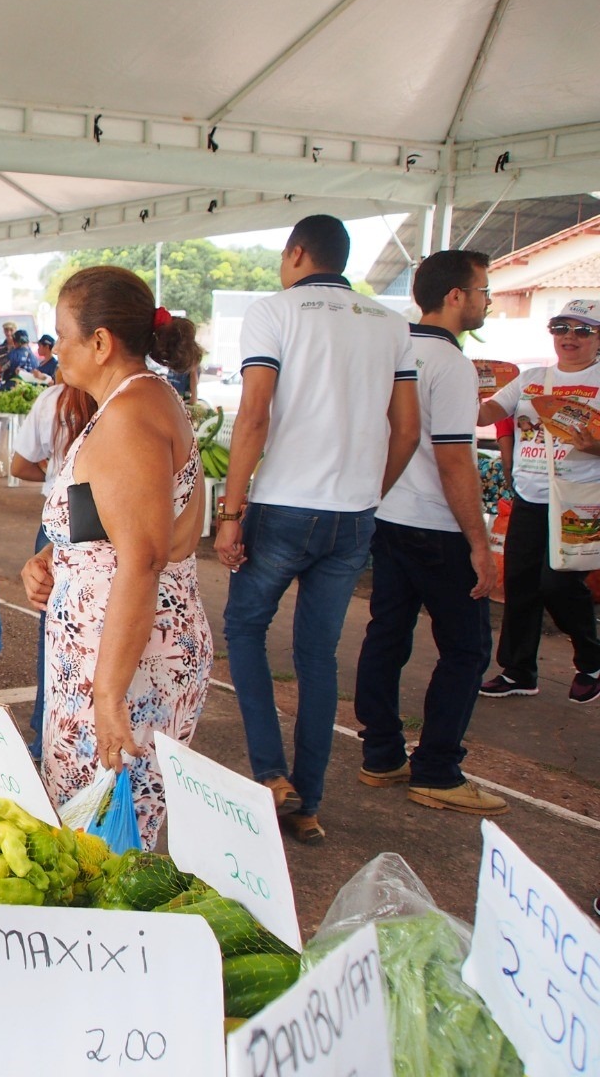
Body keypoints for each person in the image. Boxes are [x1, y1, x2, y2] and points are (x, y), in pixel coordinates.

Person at [216, 214, 420, 846]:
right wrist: (367, 493)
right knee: (317, 657)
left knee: (245, 629)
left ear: (296, 252)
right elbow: (407, 431)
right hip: (353, 514)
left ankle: (273, 775)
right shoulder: (390, 323)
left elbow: (254, 415)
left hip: (283, 507)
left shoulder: (273, 312)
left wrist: (231, 510)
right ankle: (309, 806)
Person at [20, 267, 211, 848]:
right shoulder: (139, 401)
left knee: (102, 840)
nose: (53, 352)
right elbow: (118, 519)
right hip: (115, 653)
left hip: (125, 661)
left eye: (62, 336)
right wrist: (57, 555)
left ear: (100, 343)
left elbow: (143, 560)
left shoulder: (129, 416)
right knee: (94, 828)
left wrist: (107, 695)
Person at [353, 250, 506, 815]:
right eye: (484, 290)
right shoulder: (451, 363)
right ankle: (437, 769)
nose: (487, 300)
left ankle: (382, 753)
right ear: (456, 296)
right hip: (435, 525)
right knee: (467, 648)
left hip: (388, 515)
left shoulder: (397, 348)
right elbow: (454, 461)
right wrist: (479, 542)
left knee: (387, 633)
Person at [477, 297, 600, 704]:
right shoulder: (531, 378)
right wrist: (461, 385)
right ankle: (518, 671)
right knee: (521, 584)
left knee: (559, 583)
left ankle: (591, 659)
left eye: (583, 330)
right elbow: (488, 412)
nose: (570, 337)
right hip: (529, 495)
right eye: (561, 327)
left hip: (580, 500)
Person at [11, 376, 95, 760]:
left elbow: (19, 464)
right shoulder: (148, 398)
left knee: (56, 633)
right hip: (77, 529)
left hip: (59, 521)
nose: (57, 349)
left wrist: (54, 475)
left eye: (63, 338)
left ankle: (47, 740)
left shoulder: (53, 400)